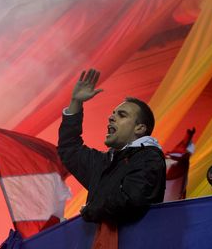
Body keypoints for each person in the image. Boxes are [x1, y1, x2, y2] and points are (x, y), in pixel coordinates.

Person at [58, 68, 166, 225]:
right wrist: (76, 103)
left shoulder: (149, 158)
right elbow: (69, 149)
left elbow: (130, 201)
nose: (111, 118)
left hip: (133, 248)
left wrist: (90, 211)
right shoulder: (104, 162)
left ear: (140, 128)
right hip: (101, 248)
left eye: (121, 115)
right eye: (113, 114)